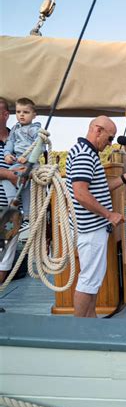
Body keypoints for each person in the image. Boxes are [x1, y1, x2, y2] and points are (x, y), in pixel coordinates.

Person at [66, 116, 126, 317]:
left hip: (93, 228)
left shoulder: (87, 153)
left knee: (93, 280)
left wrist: (125, 177)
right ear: (98, 130)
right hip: (90, 229)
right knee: (88, 279)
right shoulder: (84, 155)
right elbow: (80, 193)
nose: (111, 143)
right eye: (110, 137)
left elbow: (99, 188)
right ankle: (79, 328)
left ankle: (91, 320)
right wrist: (109, 214)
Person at [2, 97, 41, 220]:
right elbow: (10, 144)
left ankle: (28, 213)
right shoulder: (15, 131)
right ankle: (12, 204)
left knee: (26, 184)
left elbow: (40, 146)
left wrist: (28, 158)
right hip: (18, 163)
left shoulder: (35, 130)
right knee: (8, 178)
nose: (21, 115)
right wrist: (7, 154)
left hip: (30, 163)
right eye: (19, 112)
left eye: (25, 112)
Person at [0, 97, 22, 285]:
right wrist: (8, 174)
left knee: (6, 256)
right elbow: (11, 173)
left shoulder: (19, 137)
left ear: (6, 115)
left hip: (12, 208)